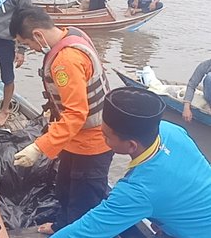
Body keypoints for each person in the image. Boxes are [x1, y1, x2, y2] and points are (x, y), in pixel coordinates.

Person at [52, 87, 211, 237]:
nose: (102, 139)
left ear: (131, 145)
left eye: (106, 136)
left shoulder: (139, 191)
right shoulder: (170, 130)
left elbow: (85, 231)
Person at [9, 6, 112, 234]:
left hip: (92, 144)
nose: (33, 50)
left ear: (38, 34)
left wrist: (39, 147)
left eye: (28, 45)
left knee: (83, 202)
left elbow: (76, 114)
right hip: (74, 140)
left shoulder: (65, 60)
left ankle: (74, 230)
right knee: (64, 189)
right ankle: (61, 225)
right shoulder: (74, 33)